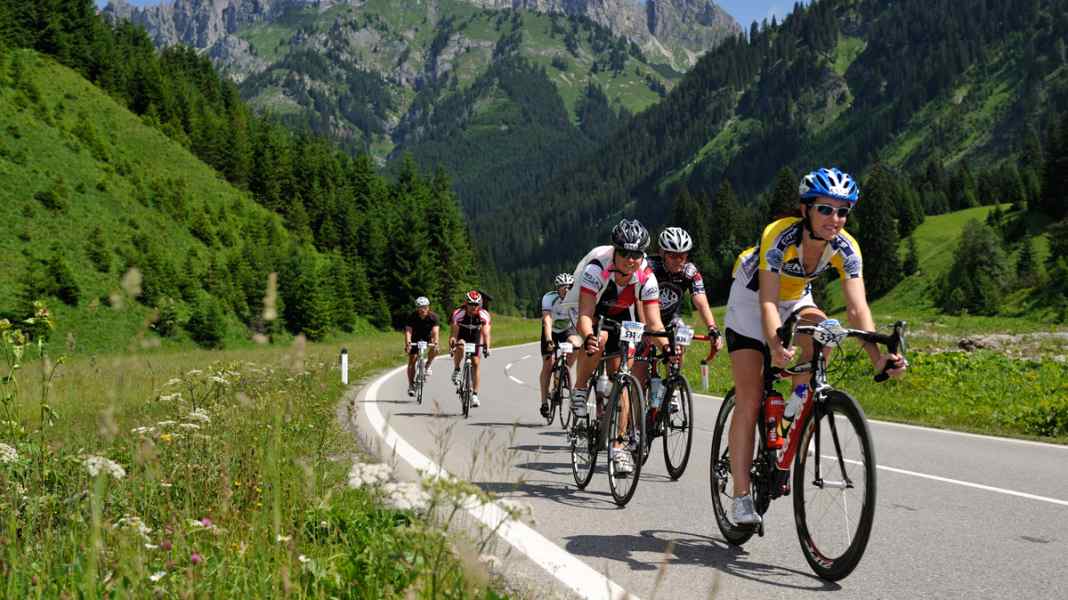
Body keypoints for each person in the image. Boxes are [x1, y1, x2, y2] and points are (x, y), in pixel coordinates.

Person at [724, 167, 908, 525]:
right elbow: (767, 302)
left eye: (842, 211)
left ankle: (797, 403)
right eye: (825, 209)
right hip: (752, 299)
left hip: (795, 299)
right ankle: (741, 496)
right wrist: (777, 344)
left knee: (826, 327)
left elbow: (857, 308)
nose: (835, 219)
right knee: (750, 396)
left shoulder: (846, 246)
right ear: (806, 208)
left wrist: (878, 357)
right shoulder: (779, 235)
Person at [569, 219, 670, 475]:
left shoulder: (646, 275)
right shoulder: (596, 268)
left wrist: (668, 348)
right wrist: (588, 335)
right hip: (590, 308)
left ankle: (619, 446)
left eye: (636, 254)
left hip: (622, 311)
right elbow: (585, 314)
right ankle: (580, 388)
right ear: (615, 250)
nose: (630, 259)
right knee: (599, 339)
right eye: (624, 252)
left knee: (623, 374)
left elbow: (654, 321)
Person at [633, 227, 724, 406]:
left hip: (669, 318)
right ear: (662, 253)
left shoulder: (689, 272)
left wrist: (713, 328)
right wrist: (645, 328)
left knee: (682, 333)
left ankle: (672, 385)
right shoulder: (649, 266)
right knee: (640, 371)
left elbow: (701, 301)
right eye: (673, 256)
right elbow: (637, 297)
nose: (679, 260)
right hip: (642, 318)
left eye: (683, 255)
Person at [538, 273, 581, 418]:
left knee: (576, 344)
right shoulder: (549, 298)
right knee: (548, 364)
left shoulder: (576, 299)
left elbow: (579, 320)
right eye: (563, 287)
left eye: (570, 287)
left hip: (567, 330)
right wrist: (549, 340)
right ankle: (544, 402)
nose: (567, 290)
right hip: (551, 331)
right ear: (558, 288)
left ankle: (565, 370)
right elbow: (547, 320)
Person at [449, 290, 492, 407]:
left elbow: (486, 333)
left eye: (476, 304)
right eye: (471, 304)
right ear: (466, 304)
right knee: (461, 345)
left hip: (475, 335)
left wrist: (487, 346)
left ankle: (475, 395)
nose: (473, 307)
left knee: (476, 363)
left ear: (480, 305)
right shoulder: (459, 313)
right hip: (462, 334)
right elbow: (454, 334)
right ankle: (457, 369)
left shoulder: (483, 315)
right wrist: (452, 344)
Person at [404, 296, 439, 397]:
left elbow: (435, 331)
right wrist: (408, 343)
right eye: (420, 307)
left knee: (436, 349)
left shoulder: (433, 317)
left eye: (425, 307)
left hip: (428, 337)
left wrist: (436, 342)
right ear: (417, 308)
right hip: (415, 338)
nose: (423, 309)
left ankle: (427, 365)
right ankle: (411, 385)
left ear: (428, 307)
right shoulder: (412, 317)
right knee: (412, 359)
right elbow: (408, 331)